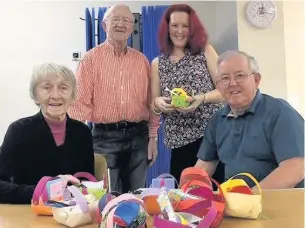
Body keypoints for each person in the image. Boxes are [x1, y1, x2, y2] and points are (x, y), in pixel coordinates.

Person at [68, 4, 160, 193]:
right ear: (104, 25)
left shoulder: (141, 60)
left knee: (137, 196)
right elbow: (79, 105)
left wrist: (153, 137)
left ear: (131, 26)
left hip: (139, 136)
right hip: (103, 137)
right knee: (106, 196)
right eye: (115, 19)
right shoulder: (90, 60)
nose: (120, 24)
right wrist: (75, 143)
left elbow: (152, 102)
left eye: (126, 20)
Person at [195, 50, 305, 189]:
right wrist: (184, 193)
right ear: (218, 85)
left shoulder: (279, 112)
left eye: (240, 75)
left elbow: (295, 169)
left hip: (279, 206)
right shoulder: (217, 120)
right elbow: (203, 167)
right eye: (225, 78)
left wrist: (250, 198)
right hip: (235, 205)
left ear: (256, 80)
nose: (232, 83)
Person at [0, 63, 95, 204]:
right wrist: (43, 191)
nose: (56, 96)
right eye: (46, 88)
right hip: (29, 214)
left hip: (72, 217)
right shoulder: (19, 131)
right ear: (35, 96)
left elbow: (88, 184)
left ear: (73, 95)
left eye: (63, 88)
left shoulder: (82, 132)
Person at [151, 4, 224, 184]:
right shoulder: (158, 63)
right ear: (167, 28)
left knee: (216, 193)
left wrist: (201, 99)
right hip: (179, 143)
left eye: (185, 26)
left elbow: (224, 90)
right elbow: (154, 103)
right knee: (184, 198)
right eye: (175, 25)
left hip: (211, 138)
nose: (180, 31)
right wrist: (159, 104)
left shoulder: (205, 51)